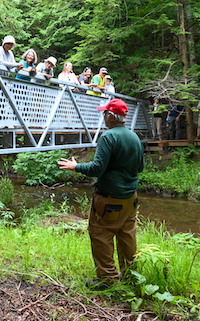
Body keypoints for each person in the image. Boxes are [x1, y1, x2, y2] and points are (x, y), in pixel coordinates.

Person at [58, 99, 144, 290]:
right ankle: (131, 276)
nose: (103, 117)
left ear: (112, 116)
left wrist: (75, 166)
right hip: (131, 199)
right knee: (127, 236)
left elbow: (97, 168)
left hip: (109, 199)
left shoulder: (108, 137)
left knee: (101, 235)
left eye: (104, 114)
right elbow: (140, 167)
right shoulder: (134, 137)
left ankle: (108, 279)